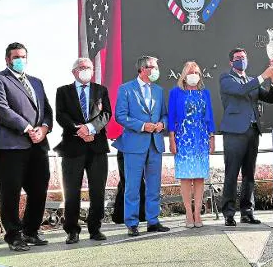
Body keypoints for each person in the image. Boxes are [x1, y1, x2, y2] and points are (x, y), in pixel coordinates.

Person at [0, 42, 53, 251]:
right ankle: (13, 235)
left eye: (23, 56)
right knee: (10, 192)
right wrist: (26, 128)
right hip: (10, 146)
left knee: (39, 189)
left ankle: (31, 231)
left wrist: (44, 128)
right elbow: (0, 108)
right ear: (7, 59)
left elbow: (47, 110)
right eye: (16, 57)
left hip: (38, 145)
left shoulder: (37, 82)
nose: (20, 60)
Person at [219, 48, 273, 226]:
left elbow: (269, 98)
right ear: (231, 62)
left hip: (252, 132)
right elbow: (240, 91)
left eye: (244, 57)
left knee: (249, 175)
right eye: (238, 58)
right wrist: (264, 75)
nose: (241, 60)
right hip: (234, 133)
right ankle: (229, 213)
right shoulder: (226, 78)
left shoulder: (251, 80)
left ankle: (247, 211)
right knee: (231, 174)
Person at [54, 57, 111, 244]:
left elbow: (106, 114)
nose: (86, 70)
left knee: (98, 191)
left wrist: (91, 128)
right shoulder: (63, 91)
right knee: (71, 191)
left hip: (97, 148)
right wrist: (79, 129)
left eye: (89, 68)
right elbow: (61, 115)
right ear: (74, 71)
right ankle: (72, 230)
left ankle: (95, 228)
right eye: (82, 67)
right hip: (72, 148)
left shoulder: (101, 90)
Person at [112, 55, 170, 236]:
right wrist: (143, 126)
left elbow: (165, 115)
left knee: (154, 185)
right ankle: (132, 223)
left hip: (155, 144)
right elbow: (120, 116)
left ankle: (153, 221)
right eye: (153, 67)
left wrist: (162, 124)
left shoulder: (159, 90)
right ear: (143, 69)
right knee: (132, 186)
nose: (156, 70)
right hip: (133, 145)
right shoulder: (126, 89)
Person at [168, 61, 215, 228]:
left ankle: (198, 214)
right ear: (184, 75)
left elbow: (209, 115)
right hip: (183, 139)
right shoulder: (176, 93)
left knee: (200, 177)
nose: (193, 75)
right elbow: (172, 116)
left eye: (196, 72)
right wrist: (172, 139)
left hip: (201, 139)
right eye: (190, 72)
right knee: (186, 177)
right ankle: (188, 214)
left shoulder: (205, 93)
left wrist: (212, 137)